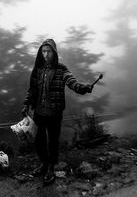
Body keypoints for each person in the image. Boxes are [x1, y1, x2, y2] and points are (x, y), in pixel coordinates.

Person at [22, 38, 93, 185]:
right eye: (43, 51)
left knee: (53, 141)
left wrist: (82, 88)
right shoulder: (38, 70)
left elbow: (71, 81)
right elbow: (32, 89)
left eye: (48, 51)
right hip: (39, 113)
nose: (46, 54)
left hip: (54, 114)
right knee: (39, 140)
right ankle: (43, 164)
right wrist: (26, 104)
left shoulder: (61, 69)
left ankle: (51, 168)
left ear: (54, 53)